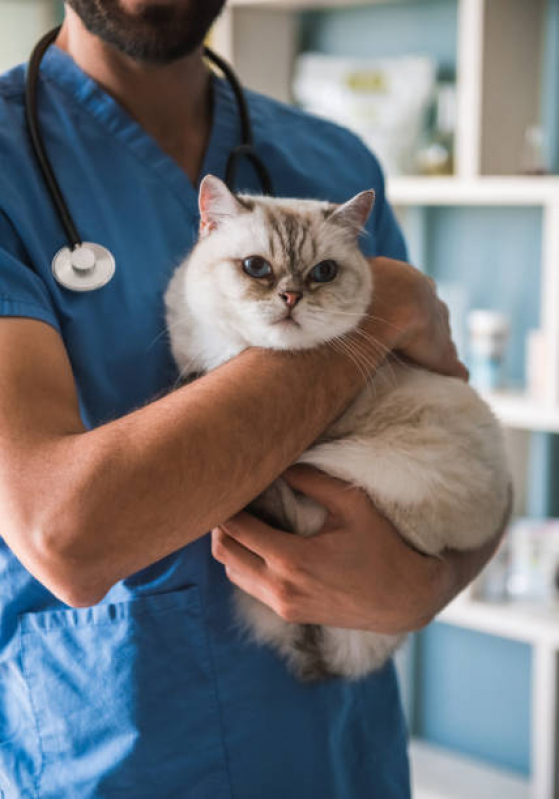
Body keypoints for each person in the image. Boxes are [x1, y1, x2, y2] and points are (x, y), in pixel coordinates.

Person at [0, 2, 499, 797]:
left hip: (343, 752)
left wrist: (431, 585)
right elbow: (65, 533)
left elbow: (463, 440)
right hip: (111, 756)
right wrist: (383, 303)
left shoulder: (332, 158)